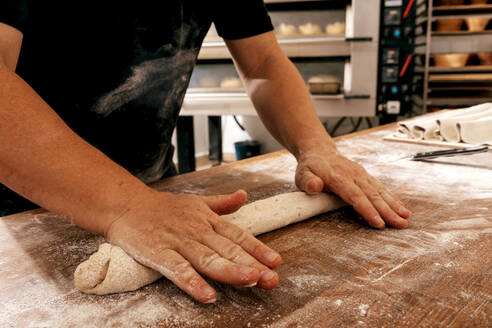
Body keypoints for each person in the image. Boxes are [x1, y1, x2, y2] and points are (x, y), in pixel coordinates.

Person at [0, 1, 411, 303]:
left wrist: (316, 146)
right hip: (16, 206)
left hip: (156, 190)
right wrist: (126, 206)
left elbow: (264, 61)